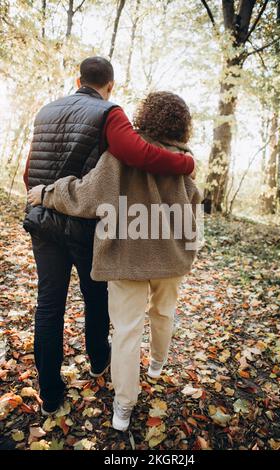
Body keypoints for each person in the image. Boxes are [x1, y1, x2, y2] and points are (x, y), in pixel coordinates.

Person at [24, 57, 196, 416]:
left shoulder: (45, 111)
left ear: (78, 79)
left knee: (50, 306)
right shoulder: (109, 112)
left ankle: (52, 396)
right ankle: (103, 363)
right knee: (96, 298)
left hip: (45, 219)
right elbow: (137, 157)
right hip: (85, 226)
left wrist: (43, 196)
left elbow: (34, 172)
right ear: (111, 85)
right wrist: (185, 164)